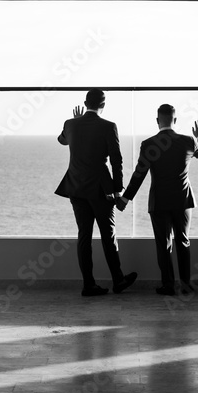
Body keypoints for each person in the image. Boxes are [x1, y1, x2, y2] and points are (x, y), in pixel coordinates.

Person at [117, 104, 198, 296]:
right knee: (183, 242)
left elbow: (139, 174)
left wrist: (126, 199)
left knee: (163, 244)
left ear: (157, 121)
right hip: (183, 201)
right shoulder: (188, 141)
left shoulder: (149, 144)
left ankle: (168, 285)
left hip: (159, 202)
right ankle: (186, 285)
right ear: (175, 120)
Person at [55, 89, 138, 297]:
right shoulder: (108, 126)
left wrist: (75, 121)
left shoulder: (70, 124)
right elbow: (116, 160)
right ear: (104, 105)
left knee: (84, 235)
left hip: (76, 187)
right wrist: (118, 191)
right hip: (101, 189)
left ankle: (88, 284)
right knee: (108, 235)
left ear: (85, 103)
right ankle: (118, 280)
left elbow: (62, 140)